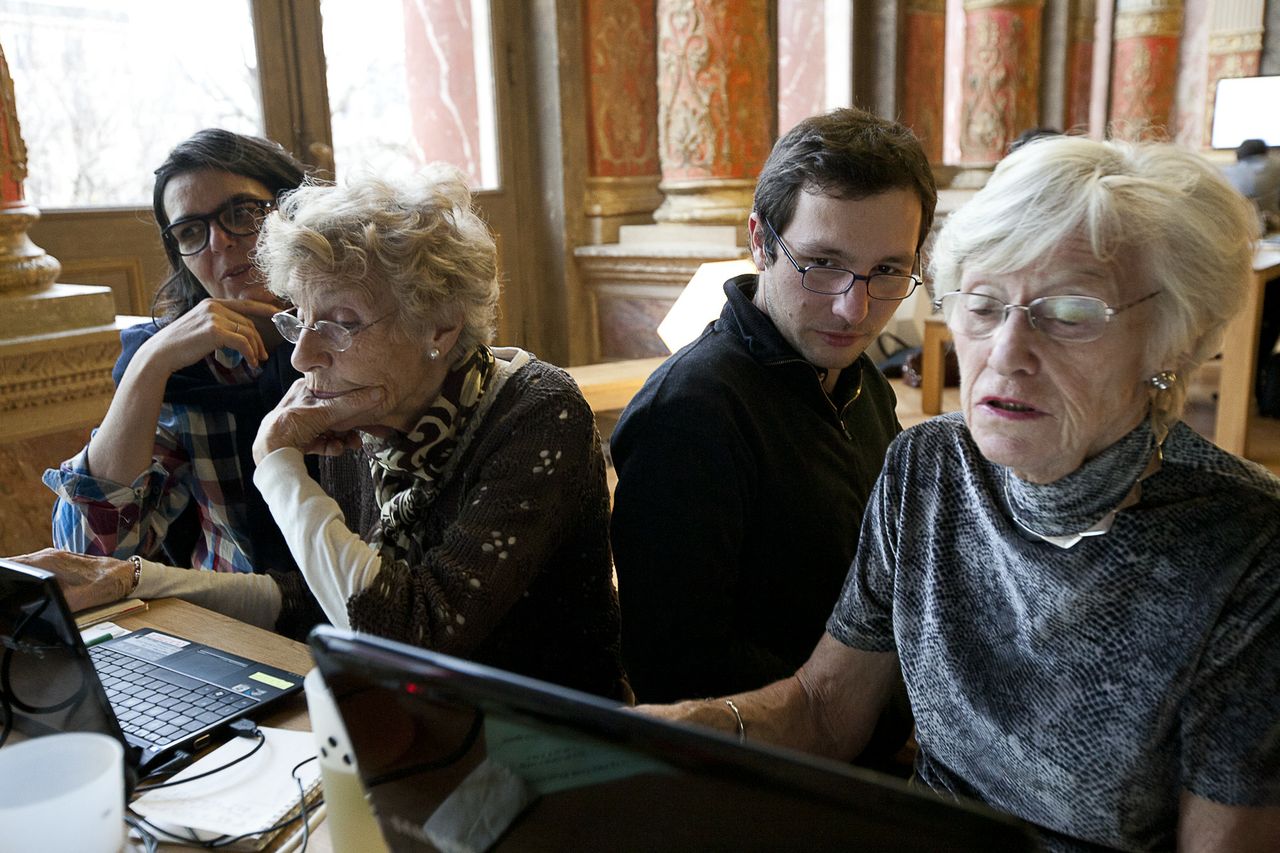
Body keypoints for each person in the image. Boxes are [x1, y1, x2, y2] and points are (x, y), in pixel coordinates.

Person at [642, 137, 1280, 850]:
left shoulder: (1249, 551)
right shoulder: (930, 468)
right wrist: (701, 725)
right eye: (982, 305)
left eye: (1068, 313)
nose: (1006, 353)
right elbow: (826, 709)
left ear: (1173, 342)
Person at [22, 165, 631, 701]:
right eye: (300, 320)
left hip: (553, 747)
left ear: (440, 328)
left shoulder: (536, 412)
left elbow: (413, 638)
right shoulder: (363, 412)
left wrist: (277, 463)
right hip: (421, 731)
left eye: (340, 324)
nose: (302, 357)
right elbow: (322, 599)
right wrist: (136, 579)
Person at [609, 107, 936, 707]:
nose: (853, 310)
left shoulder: (861, 381)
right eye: (823, 264)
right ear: (761, 241)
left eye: (887, 270)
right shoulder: (688, 413)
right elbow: (678, 668)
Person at [43, 129, 311, 576]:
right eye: (190, 231)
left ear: (293, 209)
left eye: (242, 213)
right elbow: (89, 553)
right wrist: (150, 364)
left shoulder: (360, 338)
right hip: (235, 624)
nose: (219, 242)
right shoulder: (190, 369)